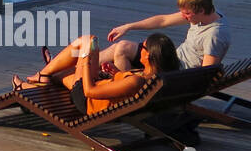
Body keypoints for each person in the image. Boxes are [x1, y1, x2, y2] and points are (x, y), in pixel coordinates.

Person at [14, 33, 180, 116]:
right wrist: (116, 74)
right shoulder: (154, 76)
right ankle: (44, 76)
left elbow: (89, 92)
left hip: (86, 99)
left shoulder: (138, 81)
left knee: (85, 44)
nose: (139, 49)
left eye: (142, 47)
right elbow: (125, 86)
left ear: (148, 56)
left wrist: (85, 61)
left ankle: (41, 76)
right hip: (100, 89)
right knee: (89, 45)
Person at [100, 0, 230, 71]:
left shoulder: (215, 35)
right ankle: (82, 67)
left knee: (121, 50)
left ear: (201, 10)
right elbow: (163, 20)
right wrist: (128, 27)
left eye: (187, 13)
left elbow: (206, 72)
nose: (184, 17)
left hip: (175, 72)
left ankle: (124, 91)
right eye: (182, 12)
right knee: (119, 46)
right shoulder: (206, 14)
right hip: (172, 59)